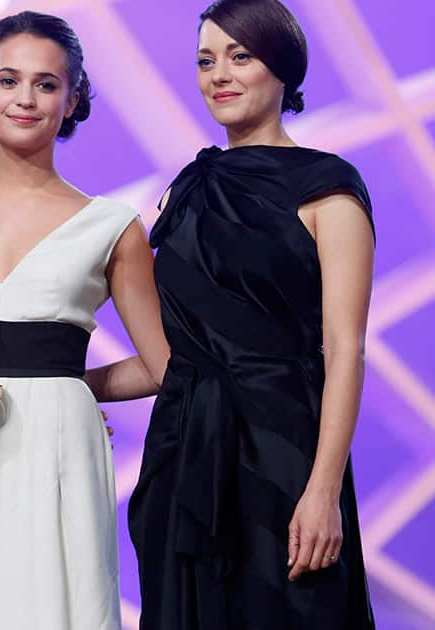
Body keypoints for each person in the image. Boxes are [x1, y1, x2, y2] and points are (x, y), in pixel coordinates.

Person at [0, 11, 169, 630]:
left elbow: (162, 366)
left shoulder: (112, 225)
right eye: (9, 80)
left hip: (60, 443)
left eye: (46, 84)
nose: (25, 98)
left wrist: (70, 389)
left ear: (72, 101)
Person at [127, 1, 376, 628]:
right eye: (206, 61)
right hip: (183, 455)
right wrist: (61, 378)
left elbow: (344, 348)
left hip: (284, 453)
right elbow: (173, 355)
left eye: (241, 56)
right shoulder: (188, 190)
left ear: (283, 68)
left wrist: (322, 491)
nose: (220, 75)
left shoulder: (327, 186)